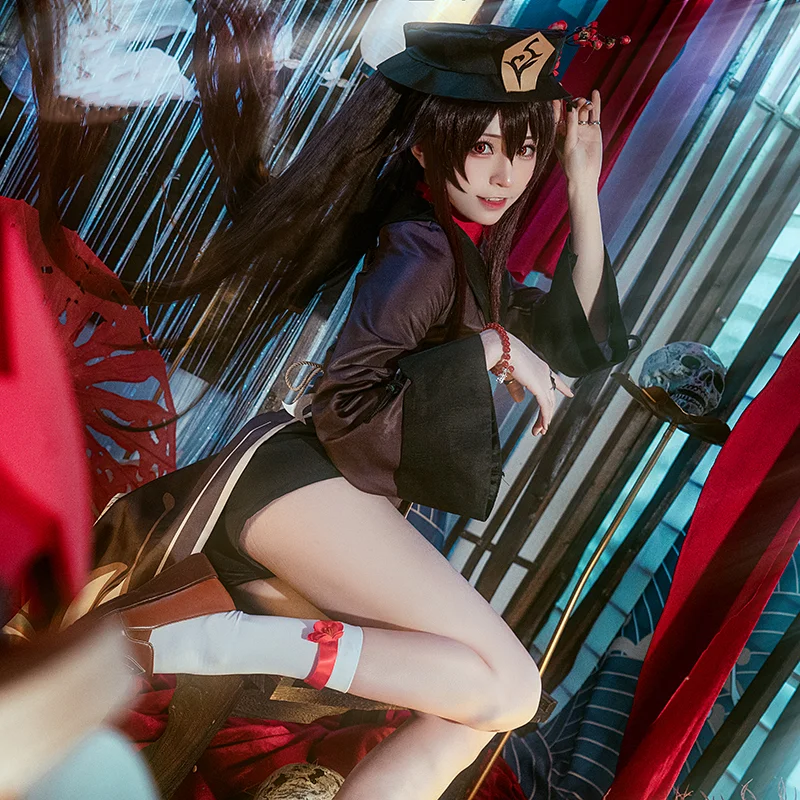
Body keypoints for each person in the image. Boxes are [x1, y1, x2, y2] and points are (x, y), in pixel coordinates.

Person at [88, 21, 630, 799]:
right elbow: (345, 404)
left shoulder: (466, 255)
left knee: (472, 714)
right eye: (481, 146)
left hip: (322, 498)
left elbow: (571, 342)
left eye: (522, 150)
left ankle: (241, 643)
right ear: (425, 148)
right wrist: (489, 349)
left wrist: (582, 185)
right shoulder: (423, 248)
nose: (503, 173)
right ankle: (235, 642)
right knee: (513, 691)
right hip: (299, 486)